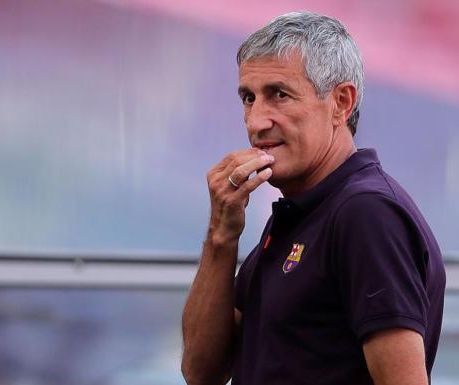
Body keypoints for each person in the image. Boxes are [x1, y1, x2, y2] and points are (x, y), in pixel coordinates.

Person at [181, 11, 445, 385]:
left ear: (341, 102)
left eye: (279, 95)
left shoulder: (365, 212)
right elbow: (200, 371)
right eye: (248, 97)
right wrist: (221, 235)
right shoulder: (301, 211)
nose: (256, 122)